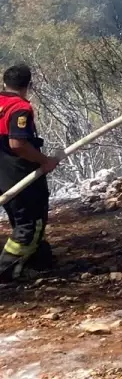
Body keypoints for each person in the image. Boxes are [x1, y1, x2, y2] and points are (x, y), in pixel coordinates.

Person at [0, 64, 61, 283]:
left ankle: (40, 261)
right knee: (30, 223)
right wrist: (44, 161)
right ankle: (6, 270)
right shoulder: (19, 108)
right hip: (19, 174)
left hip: (3, 176)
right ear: (29, 85)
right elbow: (17, 143)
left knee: (21, 219)